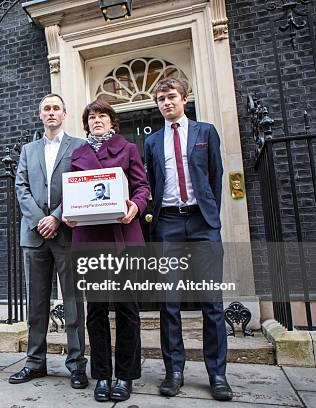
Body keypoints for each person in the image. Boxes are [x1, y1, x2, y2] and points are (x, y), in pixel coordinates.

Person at [143, 77, 232, 401]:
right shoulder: (152, 142)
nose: (166, 103)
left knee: (212, 303)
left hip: (202, 223)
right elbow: (150, 182)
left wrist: (210, 215)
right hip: (167, 223)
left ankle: (217, 375)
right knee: (170, 302)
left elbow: (216, 176)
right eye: (161, 99)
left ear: (184, 98)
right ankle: (174, 371)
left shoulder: (205, 132)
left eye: (171, 97)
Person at [64, 99, 150, 402]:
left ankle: (125, 376)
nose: (96, 120)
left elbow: (143, 188)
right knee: (96, 311)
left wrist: (135, 206)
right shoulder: (78, 154)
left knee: (128, 310)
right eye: (91, 117)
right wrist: (68, 213)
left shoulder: (128, 149)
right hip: (90, 239)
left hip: (123, 237)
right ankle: (102, 375)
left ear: (112, 122)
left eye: (102, 116)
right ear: (86, 123)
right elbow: (71, 194)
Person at [11, 93, 88, 389]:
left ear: (64, 114)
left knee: (72, 301)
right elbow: (21, 186)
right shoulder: (29, 150)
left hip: (66, 233)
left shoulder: (78, 147)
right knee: (36, 304)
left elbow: (81, 185)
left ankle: (77, 365)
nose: (51, 112)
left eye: (56, 108)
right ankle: (34, 362)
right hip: (33, 235)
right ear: (40, 115)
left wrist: (56, 216)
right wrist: (38, 220)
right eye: (46, 108)